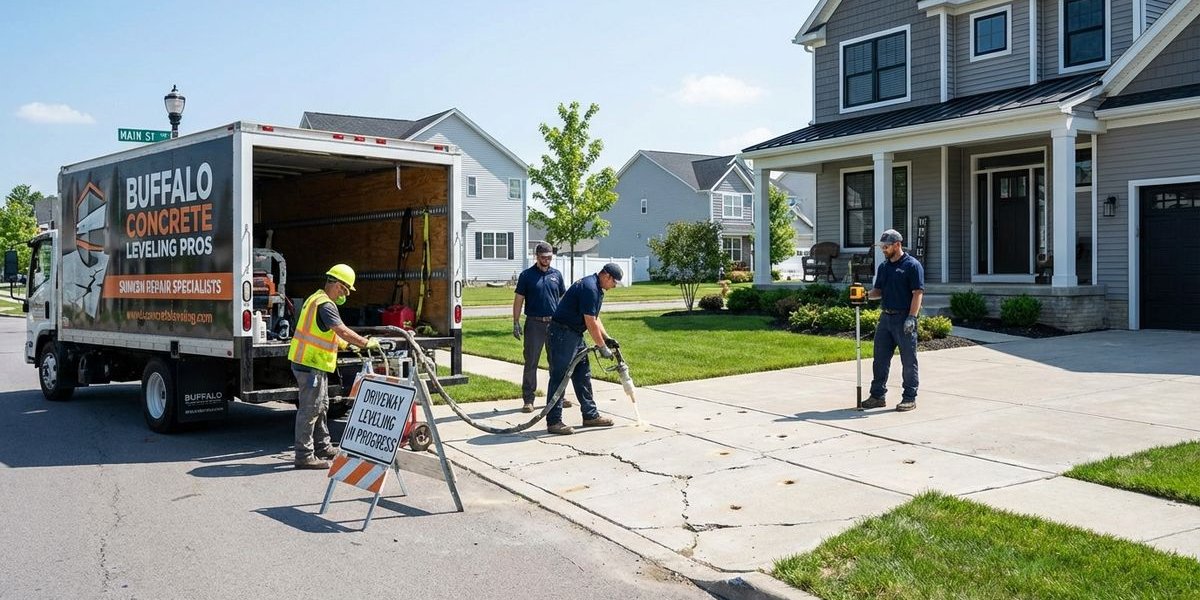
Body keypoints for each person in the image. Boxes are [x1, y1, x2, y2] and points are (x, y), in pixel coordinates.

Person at [288, 264, 380, 469]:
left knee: (321, 407)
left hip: (311, 363)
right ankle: (304, 455)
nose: (345, 295)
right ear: (337, 285)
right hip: (309, 364)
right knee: (310, 410)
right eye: (345, 290)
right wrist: (365, 343)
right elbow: (342, 330)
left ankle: (323, 447)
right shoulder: (326, 305)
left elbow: (328, 334)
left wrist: (346, 345)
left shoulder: (316, 298)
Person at [544, 263, 623, 435]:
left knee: (582, 373)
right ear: (607, 276)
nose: (614, 286)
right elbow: (590, 321)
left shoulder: (595, 287)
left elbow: (594, 317)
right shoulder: (590, 288)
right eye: (614, 282)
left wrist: (607, 338)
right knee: (560, 376)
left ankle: (590, 415)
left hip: (574, 334)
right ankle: (554, 422)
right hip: (562, 334)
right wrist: (601, 347)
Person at [862, 230, 924, 412]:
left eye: (886, 246)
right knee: (880, 359)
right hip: (885, 318)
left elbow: (917, 293)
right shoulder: (884, 267)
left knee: (908, 360)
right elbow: (877, 292)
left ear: (897, 244)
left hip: (904, 317)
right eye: (882, 246)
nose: (883, 249)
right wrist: (863, 296)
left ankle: (909, 398)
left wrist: (912, 317)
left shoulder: (912, 266)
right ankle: (877, 396)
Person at [513, 242, 568, 413]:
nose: (547, 260)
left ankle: (558, 396)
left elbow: (562, 299)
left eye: (549, 257)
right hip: (534, 324)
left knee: (557, 363)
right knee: (531, 362)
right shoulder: (527, 276)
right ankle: (528, 399)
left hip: (554, 324)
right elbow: (519, 300)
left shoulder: (556, 275)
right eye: (543, 257)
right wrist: (515, 322)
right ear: (536, 256)